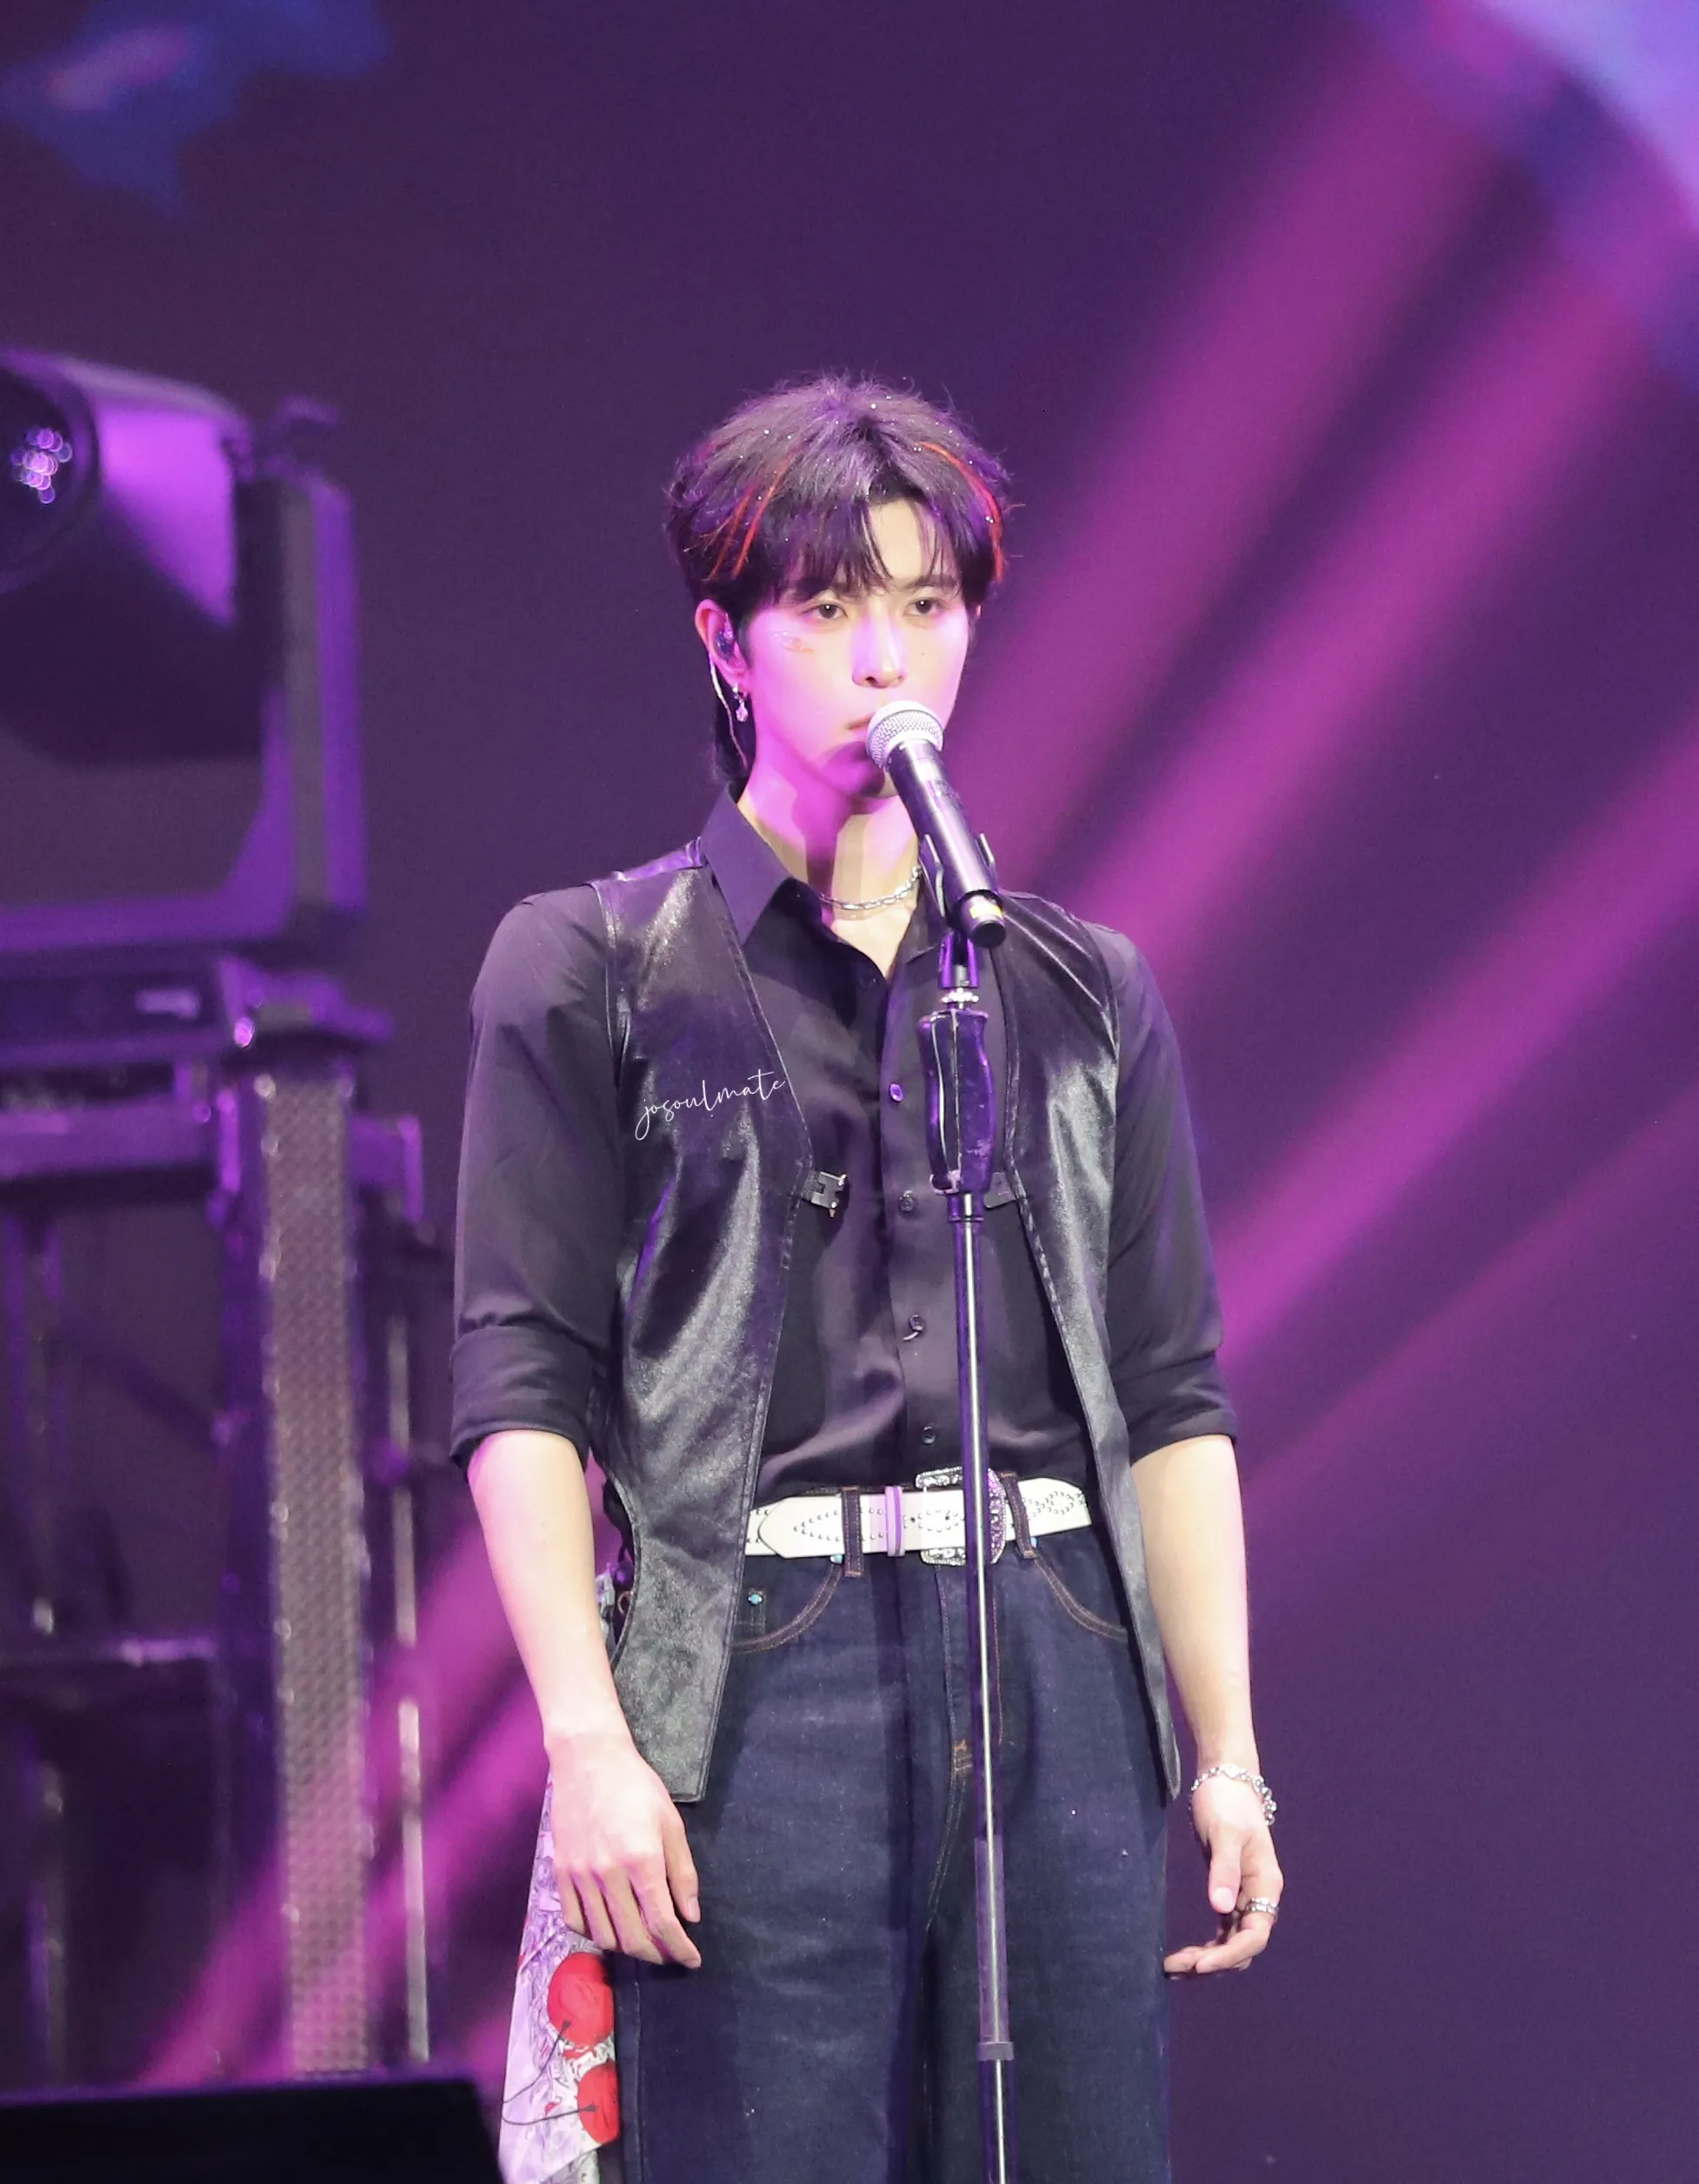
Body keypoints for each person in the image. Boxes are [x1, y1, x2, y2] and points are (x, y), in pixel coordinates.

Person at [452, 375, 1282, 2184]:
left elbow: (1171, 1391)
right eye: (826, 608)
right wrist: (587, 1744)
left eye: (925, 603)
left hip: (1056, 1647)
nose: (884, 657)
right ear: (726, 644)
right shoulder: (590, 966)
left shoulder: (1074, 989)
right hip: (761, 1667)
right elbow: (522, 1383)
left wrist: (1223, 1749)